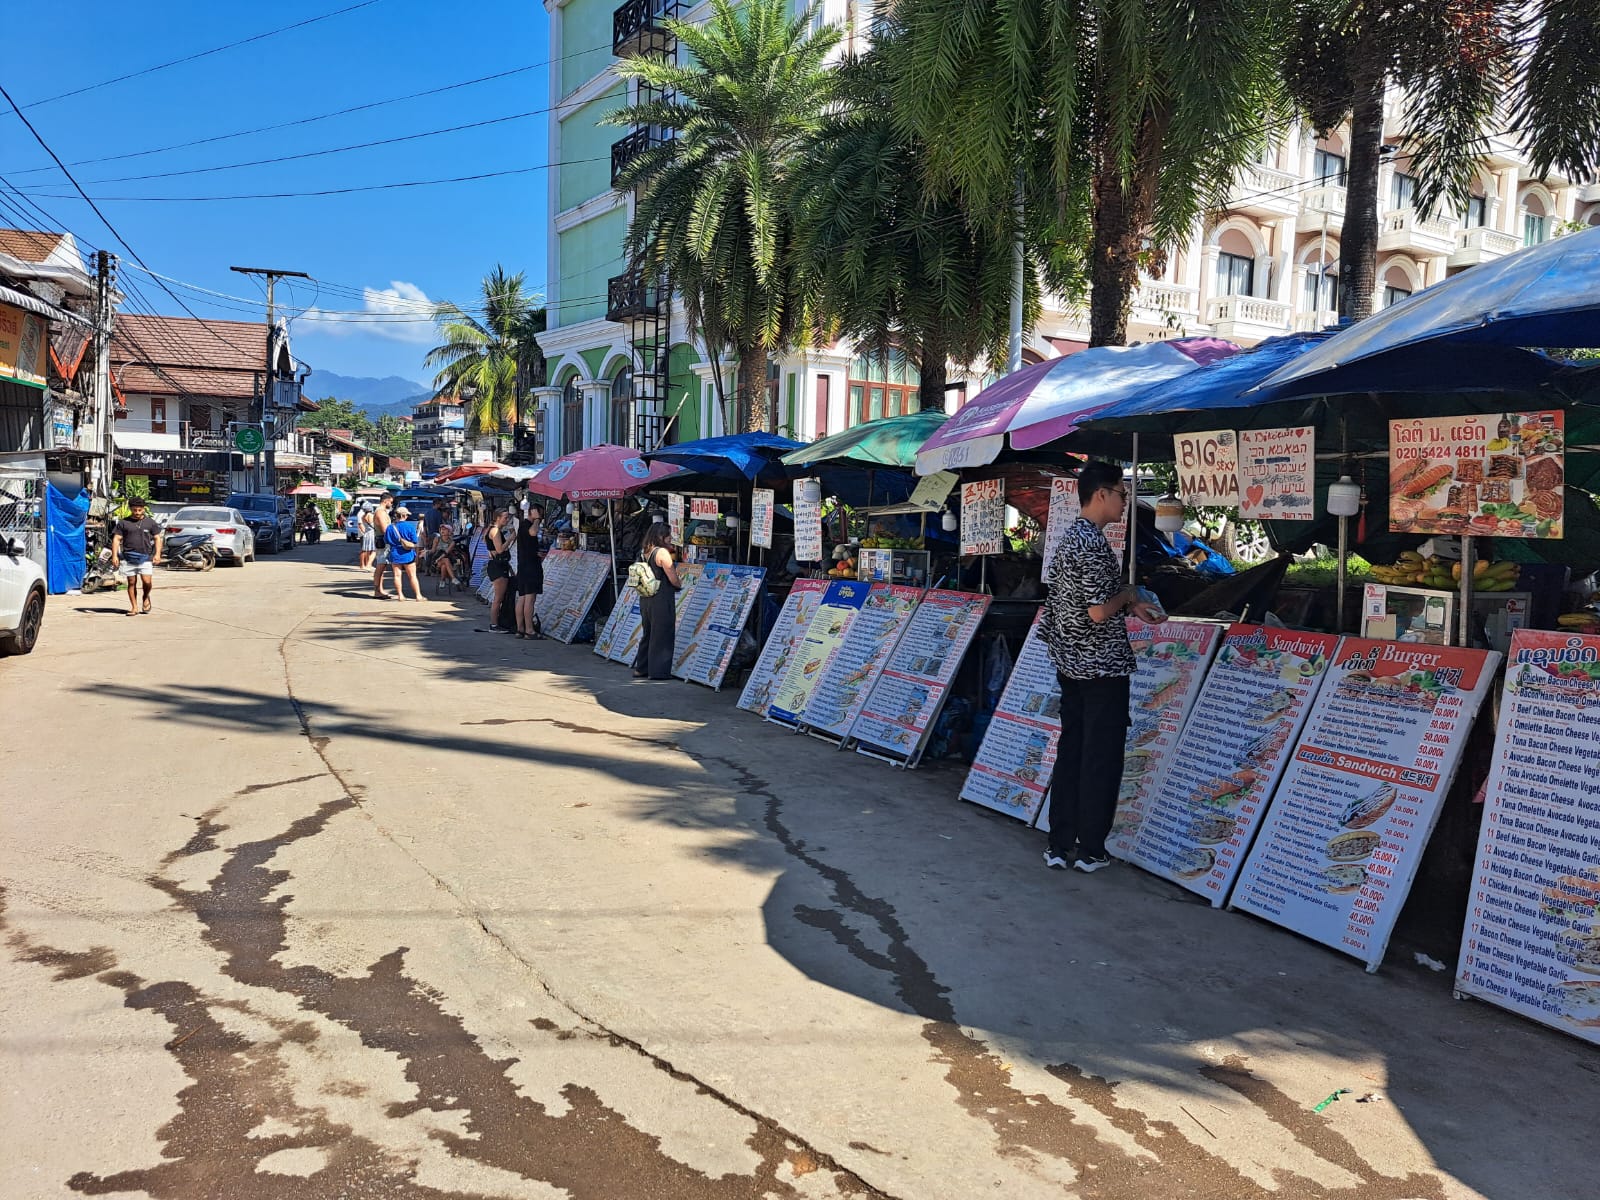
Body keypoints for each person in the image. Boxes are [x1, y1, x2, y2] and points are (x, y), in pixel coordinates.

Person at [1039, 460, 1164, 874]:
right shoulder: (1092, 544)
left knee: (1072, 750)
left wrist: (1128, 601)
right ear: (1102, 495)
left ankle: (1059, 843)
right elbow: (1096, 612)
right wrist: (1128, 595)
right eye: (1122, 493)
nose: (1126, 502)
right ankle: (1091, 847)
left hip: (1071, 664)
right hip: (1100, 668)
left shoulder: (1069, 539)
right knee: (1100, 757)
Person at [632, 519, 682, 680]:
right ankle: (658, 672)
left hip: (645, 598)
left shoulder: (644, 551)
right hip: (661, 598)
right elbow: (672, 577)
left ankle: (641, 668)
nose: (670, 538)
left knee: (648, 633)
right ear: (662, 536)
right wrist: (679, 584)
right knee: (662, 634)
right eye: (668, 536)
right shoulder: (662, 553)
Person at [111, 496, 164, 616]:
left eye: (139, 510)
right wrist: (115, 556)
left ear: (143, 509)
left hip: (146, 557)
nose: (137, 513)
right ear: (130, 509)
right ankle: (134, 607)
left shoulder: (150, 522)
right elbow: (116, 539)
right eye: (134, 510)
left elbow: (157, 538)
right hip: (128, 557)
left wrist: (157, 554)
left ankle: (145, 596)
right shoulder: (123, 523)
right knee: (131, 582)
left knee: (147, 581)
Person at [514, 503, 545, 639]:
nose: (542, 516)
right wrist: (537, 519)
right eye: (540, 513)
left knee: (522, 598)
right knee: (529, 598)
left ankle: (520, 629)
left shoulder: (522, 526)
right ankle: (529, 630)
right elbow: (533, 532)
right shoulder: (527, 525)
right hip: (530, 567)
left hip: (523, 565)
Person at [483, 508, 515, 634]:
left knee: (501, 596)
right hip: (497, 566)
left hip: (499, 564)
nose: (507, 520)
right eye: (505, 517)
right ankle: (494, 624)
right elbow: (500, 549)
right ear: (498, 518)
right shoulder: (495, 530)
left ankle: (498, 622)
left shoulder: (492, 529)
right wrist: (510, 538)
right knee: (498, 597)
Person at [386, 505, 424, 601]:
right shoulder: (410, 527)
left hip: (395, 552)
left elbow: (386, 540)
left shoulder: (390, 527)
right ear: (404, 516)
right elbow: (414, 541)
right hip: (408, 554)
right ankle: (418, 595)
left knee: (397, 575)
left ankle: (400, 595)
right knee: (412, 576)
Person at [370, 493, 396, 599]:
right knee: (380, 565)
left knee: (383, 566)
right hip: (382, 541)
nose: (391, 504)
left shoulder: (382, 512)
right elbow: (385, 529)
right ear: (386, 501)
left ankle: (380, 590)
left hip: (384, 541)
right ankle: (377, 591)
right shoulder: (380, 512)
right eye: (391, 502)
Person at [358, 503, 376, 570]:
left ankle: (367, 565)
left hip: (366, 533)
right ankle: (369, 564)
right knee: (374, 550)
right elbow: (374, 525)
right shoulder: (371, 516)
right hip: (372, 533)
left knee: (367, 549)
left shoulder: (363, 516)